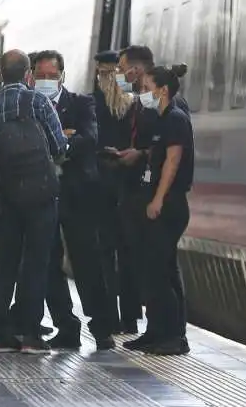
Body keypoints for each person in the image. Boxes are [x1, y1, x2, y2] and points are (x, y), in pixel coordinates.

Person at [13, 50, 116, 351]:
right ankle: (66, 325)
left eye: (52, 75)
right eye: (41, 75)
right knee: (47, 262)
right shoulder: (27, 104)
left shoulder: (82, 103)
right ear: (31, 75)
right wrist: (63, 137)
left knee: (87, 260)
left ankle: (101, 327)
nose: (47, 80)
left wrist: (60, 141)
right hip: (42, 194)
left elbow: (90, 138)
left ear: (62, 76)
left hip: (78, 194)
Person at [0, 49, 67, 354]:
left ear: (0, 75)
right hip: (41, 195)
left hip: (8, 197)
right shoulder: (38, 102)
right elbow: (58, 146)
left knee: (5, 262)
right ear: (28, 75)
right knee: (36, 263)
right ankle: (30, 334)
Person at [123, 65, 193, 356]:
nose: (142, 93)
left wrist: (158, 199)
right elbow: (157, 155)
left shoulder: (175, 118)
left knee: (161, 272)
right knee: (155, 270)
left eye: (146, 87)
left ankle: (173, 336)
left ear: (162, 90)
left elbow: (173, 162)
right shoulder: (161, 119)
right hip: (159, 201)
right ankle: (155, 332)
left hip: (169, 204)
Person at [91, 50, 142, 335]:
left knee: (106, 253)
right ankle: (130, 317)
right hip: (128, 186)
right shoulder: (136, 104)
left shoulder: (94, 102)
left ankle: (110, 314)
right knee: (127, 253)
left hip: (104, 186)